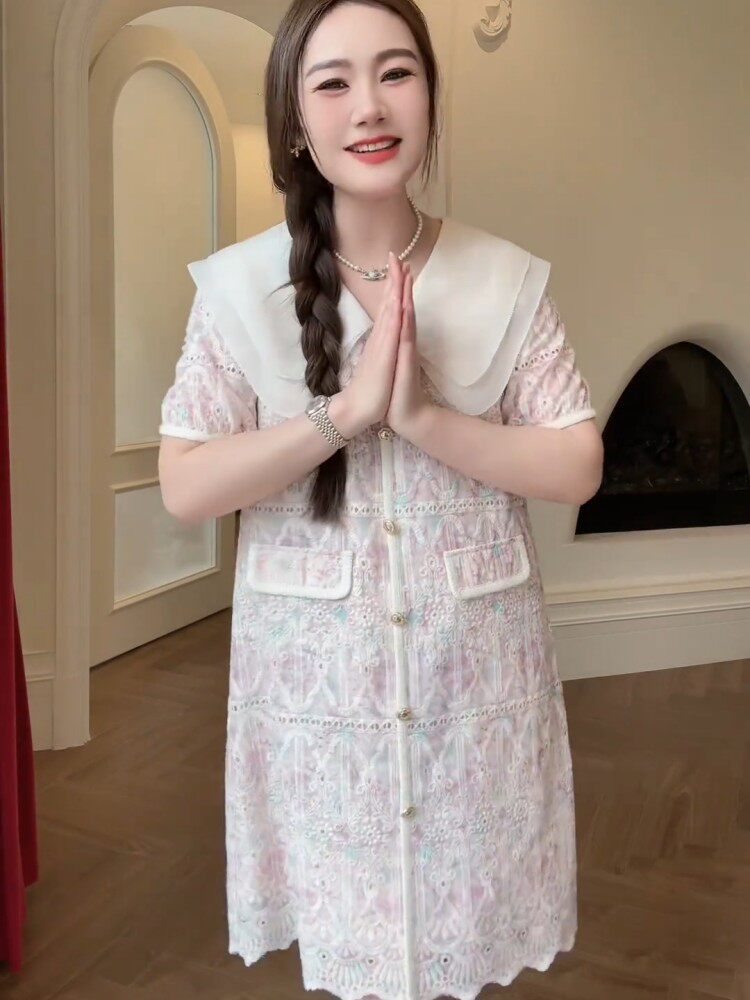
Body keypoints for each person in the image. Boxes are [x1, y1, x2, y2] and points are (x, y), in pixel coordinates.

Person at [158, 1, 603, 998]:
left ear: (431, 98)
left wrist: (424, 419)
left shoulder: (505, 278)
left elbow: (578, 465)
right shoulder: (238, 290)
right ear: (294, 121)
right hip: (318, 695)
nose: (370, 105)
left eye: (397, 73)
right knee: (349, 932)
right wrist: (342, 416)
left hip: (473, 678)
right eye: (334, 82)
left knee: (464, 934)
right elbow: (184, 482)